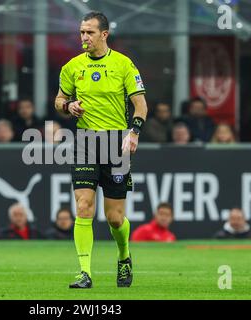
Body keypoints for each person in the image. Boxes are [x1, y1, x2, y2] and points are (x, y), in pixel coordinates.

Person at [54, 12, 148, 289]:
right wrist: (67, 106)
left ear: (104, 34)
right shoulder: (72, 67)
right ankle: (84, 272)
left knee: (115, 218)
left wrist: (134, 132)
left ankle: (124, 256)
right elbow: (59, 100)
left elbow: (140, 105)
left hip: (116, 143)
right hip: (85, 142)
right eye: (82, 32)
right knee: (84, 207)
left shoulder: (123, 64)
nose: (84, 37)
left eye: (90, 32)